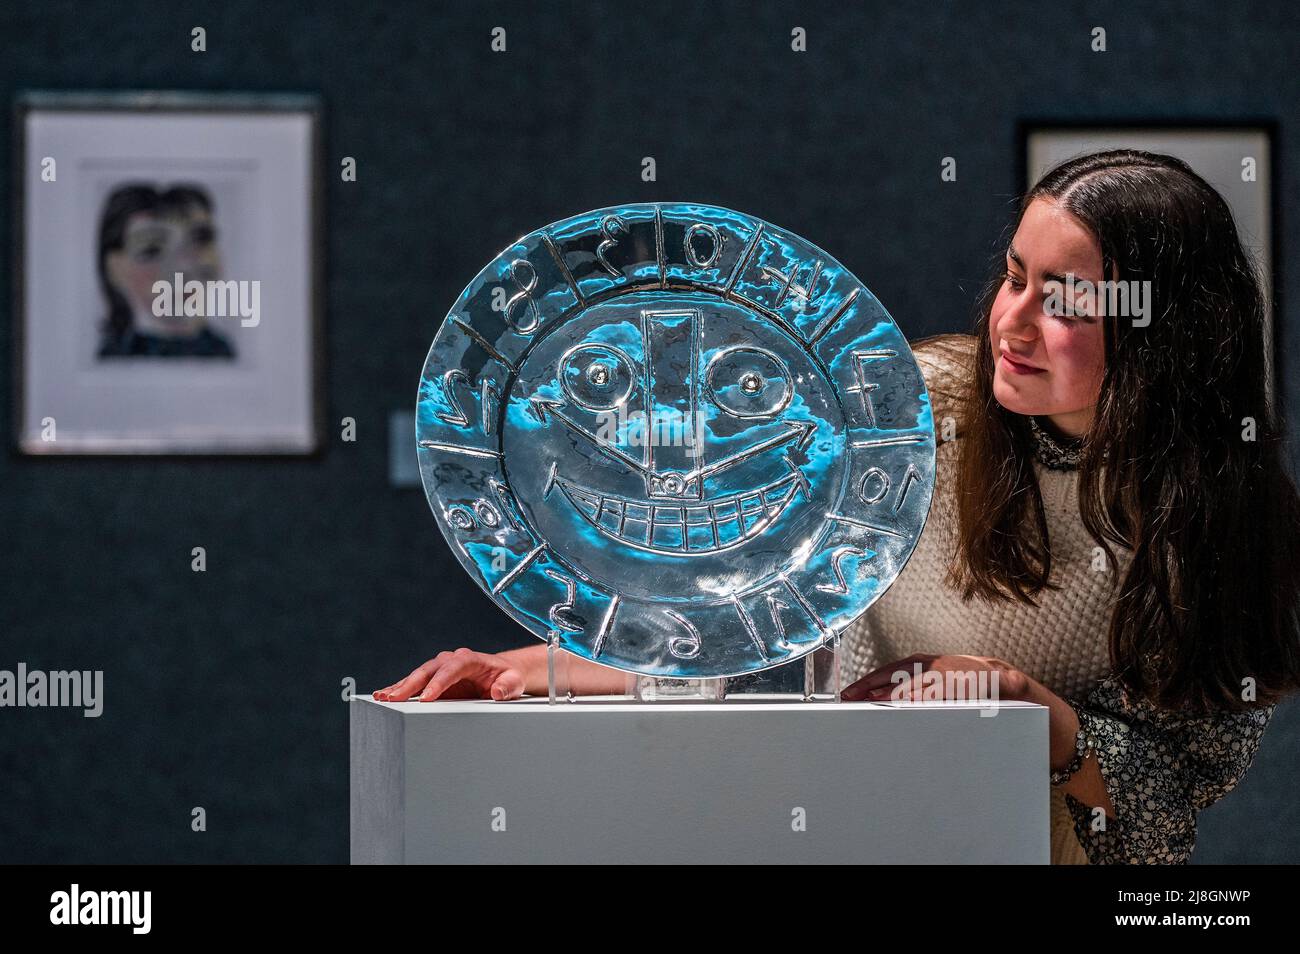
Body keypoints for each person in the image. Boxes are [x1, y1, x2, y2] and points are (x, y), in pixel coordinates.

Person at [376, 150, 1300, 864]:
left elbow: (1166, 806)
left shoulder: (1225, 516)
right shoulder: (907, 412)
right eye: (1014, 277)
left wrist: (1024, 706)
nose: (1011, 323)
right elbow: (747, 606)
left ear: (1160, 328)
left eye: (1064, 301)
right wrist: (553, 668)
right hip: (850, 821)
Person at [96, 183, 235, 358]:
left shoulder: (222, 352)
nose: (184, 266)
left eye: (201, 240)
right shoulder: (115, 359)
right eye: (153, 249)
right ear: (114, 268)